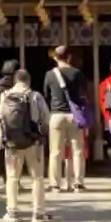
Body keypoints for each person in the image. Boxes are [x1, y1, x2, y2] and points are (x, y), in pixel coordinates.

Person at [0, 68, 51, 222]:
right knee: (37, 178)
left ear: (15, 80)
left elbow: (0, 117)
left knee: (12, 178)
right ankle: (38, 213)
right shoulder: (35, 96)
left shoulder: (5, 96)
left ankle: (12, 212)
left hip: (12, 144)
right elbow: (47, 118)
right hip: (33, 142)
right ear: (28, 80)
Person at [43, 46, 89, 194]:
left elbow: (46, 95)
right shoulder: (77, 73)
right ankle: (78, 184)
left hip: (56, 115)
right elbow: (84, 93)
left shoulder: (50, 74)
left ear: (55, 57)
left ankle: (55, 184)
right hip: (74, 115)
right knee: (77, 151)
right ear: (69, 57)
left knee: (55, 152)